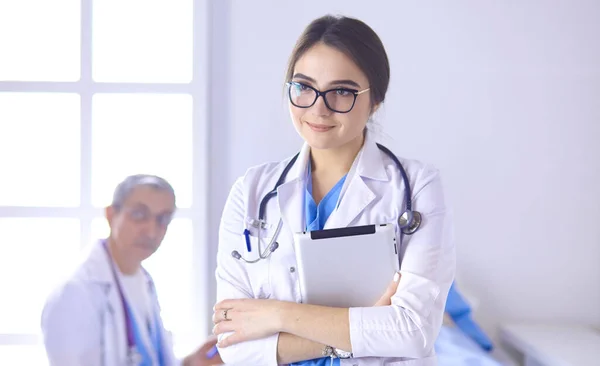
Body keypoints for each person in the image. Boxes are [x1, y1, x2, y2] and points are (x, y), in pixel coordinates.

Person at [211, 14, 456, 366]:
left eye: (342, 91)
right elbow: (234, 346)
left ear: (376, 100)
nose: (318, 107)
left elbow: (414, 331)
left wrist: (276, 315)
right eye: (304, 87)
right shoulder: (251, 191)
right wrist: (358, 332)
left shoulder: (418, 187)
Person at [41, 174, 223, 366]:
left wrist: (188, 364)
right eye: (139, 215)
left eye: (163, 219)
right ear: (111, 215)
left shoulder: (144, 282)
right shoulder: (75, 293)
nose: (152, 231)